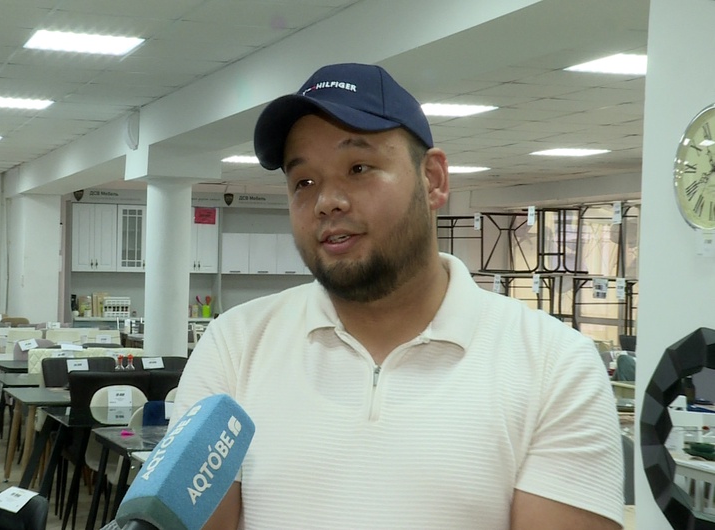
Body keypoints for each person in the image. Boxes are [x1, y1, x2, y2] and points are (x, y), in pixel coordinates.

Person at [172, 63, 623, 529]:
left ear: (433, 179)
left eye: (358, 168)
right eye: (303, 182)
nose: (326, 201)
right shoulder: (235, 347)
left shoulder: (554, 365)